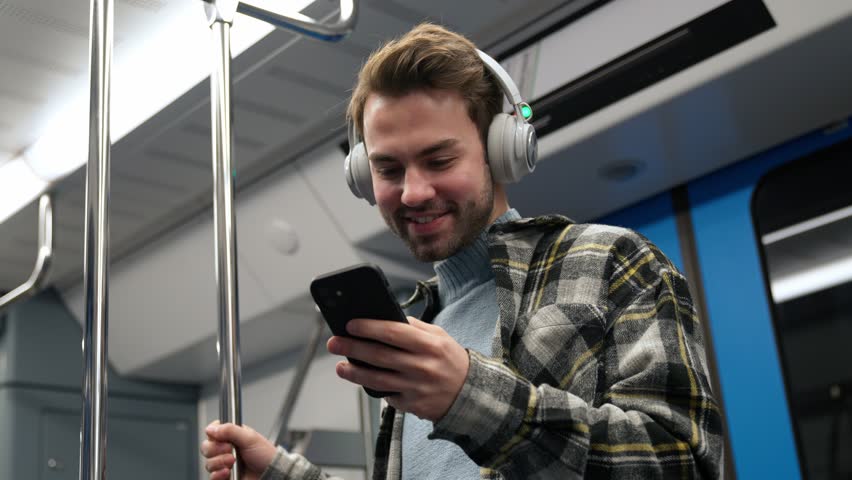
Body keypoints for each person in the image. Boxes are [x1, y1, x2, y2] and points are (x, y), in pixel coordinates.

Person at [201, 23, 723, 479]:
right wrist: (278, 473)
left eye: (439, 159)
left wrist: (470, 396)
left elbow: (681, 462)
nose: (413, 192)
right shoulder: (416, 326)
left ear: (502, 150)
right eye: (389, 169)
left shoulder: (610, 260)